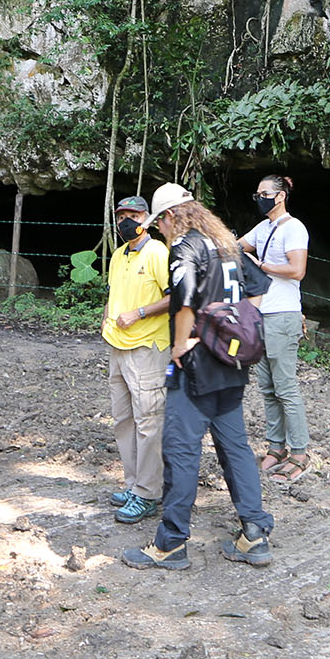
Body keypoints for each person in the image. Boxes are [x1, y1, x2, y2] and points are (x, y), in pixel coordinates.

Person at [122, 183, 273, 572]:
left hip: (197, 368)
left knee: (181, 451)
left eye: (160, 224)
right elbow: (257, 291)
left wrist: (181, 343)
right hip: (232, 364)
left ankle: (171, 543)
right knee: (236, 448)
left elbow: (184, 297)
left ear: (172, 216)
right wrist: (233, 327)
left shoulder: (187, 246)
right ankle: (254, 534)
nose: (159, 231)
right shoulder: (226, 244)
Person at [101, 195, 170, 524]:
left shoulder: (157, 252)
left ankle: (148, 492)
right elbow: (113, 293)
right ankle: (133, 485)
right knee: (123, 421)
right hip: (117, 346)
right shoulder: (117, 255)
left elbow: (176, 296)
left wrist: (140, 313)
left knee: (148, 421)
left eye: (134, 214)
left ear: (148, 217)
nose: (127, 220)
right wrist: (106, 319)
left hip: (147, 347)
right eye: (122, 215)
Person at [240, 174, 312, 483]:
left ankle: (299, 452)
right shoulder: (264, 227)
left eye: (264, 193)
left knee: (286, 387)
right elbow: (236, 246)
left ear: (280, 196)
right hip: (262, 315)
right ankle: (276, 448)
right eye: (257, 194)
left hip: (282, 315)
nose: (259, 198)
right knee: (267, 388)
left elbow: (297, 271)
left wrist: (261, 265)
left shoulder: (293, 228)